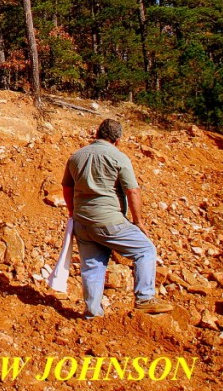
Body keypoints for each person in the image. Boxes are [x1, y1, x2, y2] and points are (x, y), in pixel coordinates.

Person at [61, 118, 173, 318]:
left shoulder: (76, 156)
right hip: (109, 221)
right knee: (145, 250)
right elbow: (133, 191)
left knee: (92, 265)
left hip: (83, 222)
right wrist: (138, 222)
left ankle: (93, 313)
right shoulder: (118, 157)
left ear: (96, 134)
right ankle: (145, 298)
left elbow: (67, 187)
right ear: (118, 140)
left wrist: (72, 212)